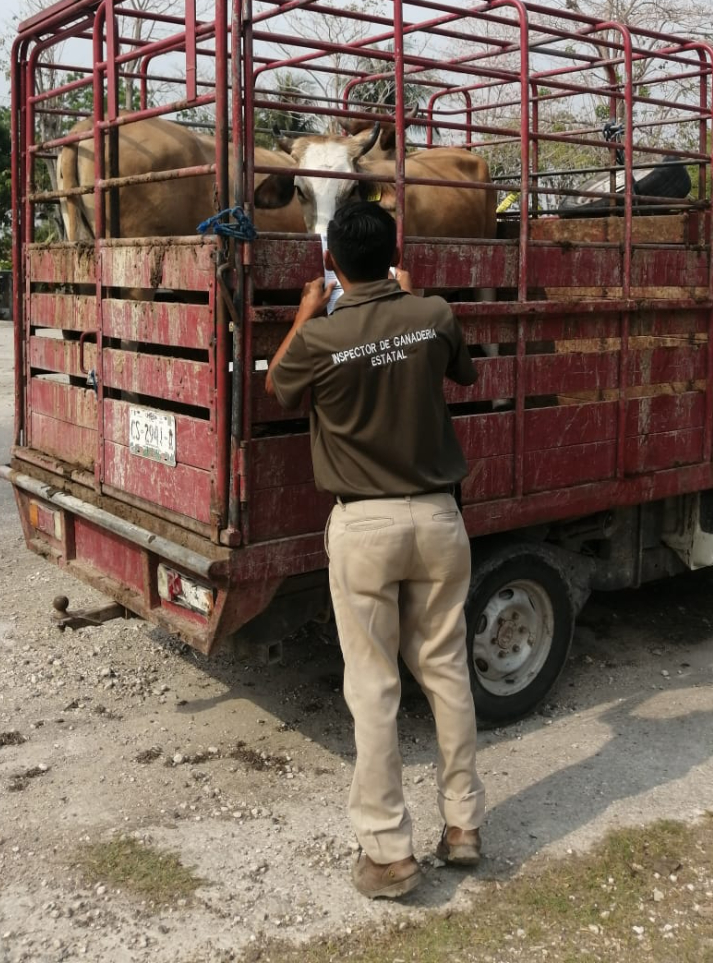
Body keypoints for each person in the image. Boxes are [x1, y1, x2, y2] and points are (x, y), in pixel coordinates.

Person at [265, 201, 485, 900]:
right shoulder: (434, 313)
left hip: (364, 528)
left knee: (374, 687)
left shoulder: (318, 338)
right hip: (439, 520)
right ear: (392, 253)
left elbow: (277, 388)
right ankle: (463, 828)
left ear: (330, 262)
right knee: (445, 671)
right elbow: (465, 375)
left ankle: (389, 852)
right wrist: (414, 295)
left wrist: (305, 311)